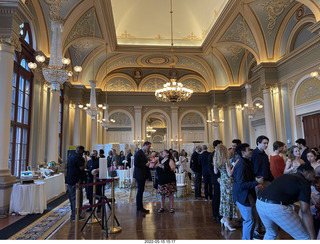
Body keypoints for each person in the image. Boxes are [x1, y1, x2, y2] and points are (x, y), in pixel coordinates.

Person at [256, 163, 316, 240]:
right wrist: (313, 237)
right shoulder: (303, 182)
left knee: (271, 233)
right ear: (306, 172)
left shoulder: (286, 176)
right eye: (313, 176)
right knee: (305, 238)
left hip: (260, 203)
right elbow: (305, 211)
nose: (314, 179)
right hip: (275, 207)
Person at [232, 143, 264, 240]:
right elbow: (241, 185)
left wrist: (255, 182)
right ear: (243, 152)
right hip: (242, 196)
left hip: (247, 195)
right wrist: (256, 182)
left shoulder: (246, 162)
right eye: (249, 150)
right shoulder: (241, 165)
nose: (251, 151)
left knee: (252, 220)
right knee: (249, 220)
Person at [213, 144, 238, 231]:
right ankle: (227, 221)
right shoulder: (226, 160)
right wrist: (235, 165)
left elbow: (215, 172)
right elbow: (230, 173)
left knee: (224, 200)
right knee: (228, 200)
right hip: (228, 181)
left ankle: (225, 219)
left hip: (222, 181)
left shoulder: (216, 160)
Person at [65, 145, 86, 221]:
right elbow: (81, 168)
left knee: (72, 198)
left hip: (69, 180)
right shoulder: (78, 158)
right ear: (80, 151)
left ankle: (73, 214)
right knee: (77, 198)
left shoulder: (70, 156)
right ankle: (76, 215)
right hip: (76, 181)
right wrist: (85, 162)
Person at [133, 141, 152, 217]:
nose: (149, 148)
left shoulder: (143, 153)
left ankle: (141, 207)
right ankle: (138, 209)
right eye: (149, 146)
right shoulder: (138, 153)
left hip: (142, 174)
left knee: (141, 191)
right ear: (145, 145)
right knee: (140, 191)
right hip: (139, 174)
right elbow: (136, 163)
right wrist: (145, 164)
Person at [211, 140, 223, 223]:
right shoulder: (212, 155)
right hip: (216, 179)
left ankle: (222, 214)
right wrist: (217, 177)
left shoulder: (222, 154)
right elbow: (210, 169)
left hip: (223, 179)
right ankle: (216, 215)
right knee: (216, 197)